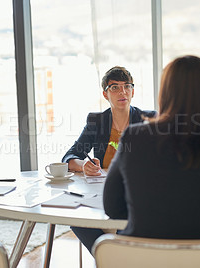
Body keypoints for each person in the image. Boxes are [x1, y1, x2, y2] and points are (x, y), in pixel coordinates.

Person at [103, 55, 200, 267]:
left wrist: (149, 213)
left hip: (143, 257)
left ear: (165, 93)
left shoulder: (134, 136)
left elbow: (112, 207)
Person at [62, 66, 156, 253]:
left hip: (138, 193)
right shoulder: (97, 121)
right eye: (114, 87)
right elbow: (69, 157)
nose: (122, 92)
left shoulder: (149, 119)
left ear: (133, 91)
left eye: (126, 86)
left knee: (127, 221)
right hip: (103, 192)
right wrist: (84, 165)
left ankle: (115, 258)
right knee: (73, 218)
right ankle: (111, 257)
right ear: (105, 94)